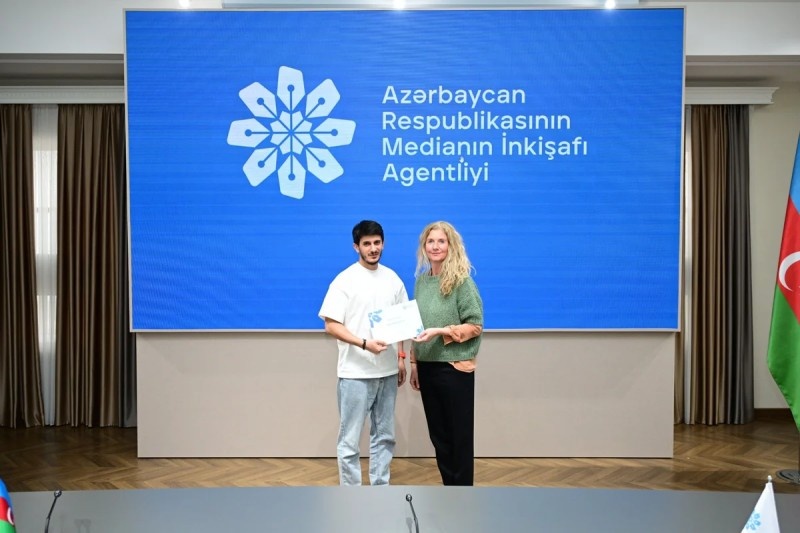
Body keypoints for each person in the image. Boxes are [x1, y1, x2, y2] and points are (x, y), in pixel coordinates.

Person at [318, 220, 409, 486]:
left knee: (385, 437)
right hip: (355, 373)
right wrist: (364, 343)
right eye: (367, 244)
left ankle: (380, 490)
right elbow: (331, 325)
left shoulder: (393, 279)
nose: (373, 248)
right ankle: (352, 496)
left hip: (388, 372)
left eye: (377, 242)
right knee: (349, 441)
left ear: (383, 244)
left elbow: (402, 322)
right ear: (356, 247)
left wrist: (401, 358)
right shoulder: (344, 280)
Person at [409, 221, 483, 486]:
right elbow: (416, 327)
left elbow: (475, 325)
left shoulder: (462, 282)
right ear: (424, 246)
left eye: (441, 241)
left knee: (458, 438)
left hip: (454, 368)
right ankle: (449, 491)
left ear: (451, 246)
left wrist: (441, 331)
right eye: (431, 241)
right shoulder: (421, 283)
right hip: (427, 367)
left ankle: (463, 495)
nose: (435, 246)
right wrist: (414, 363)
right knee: (439, 437)